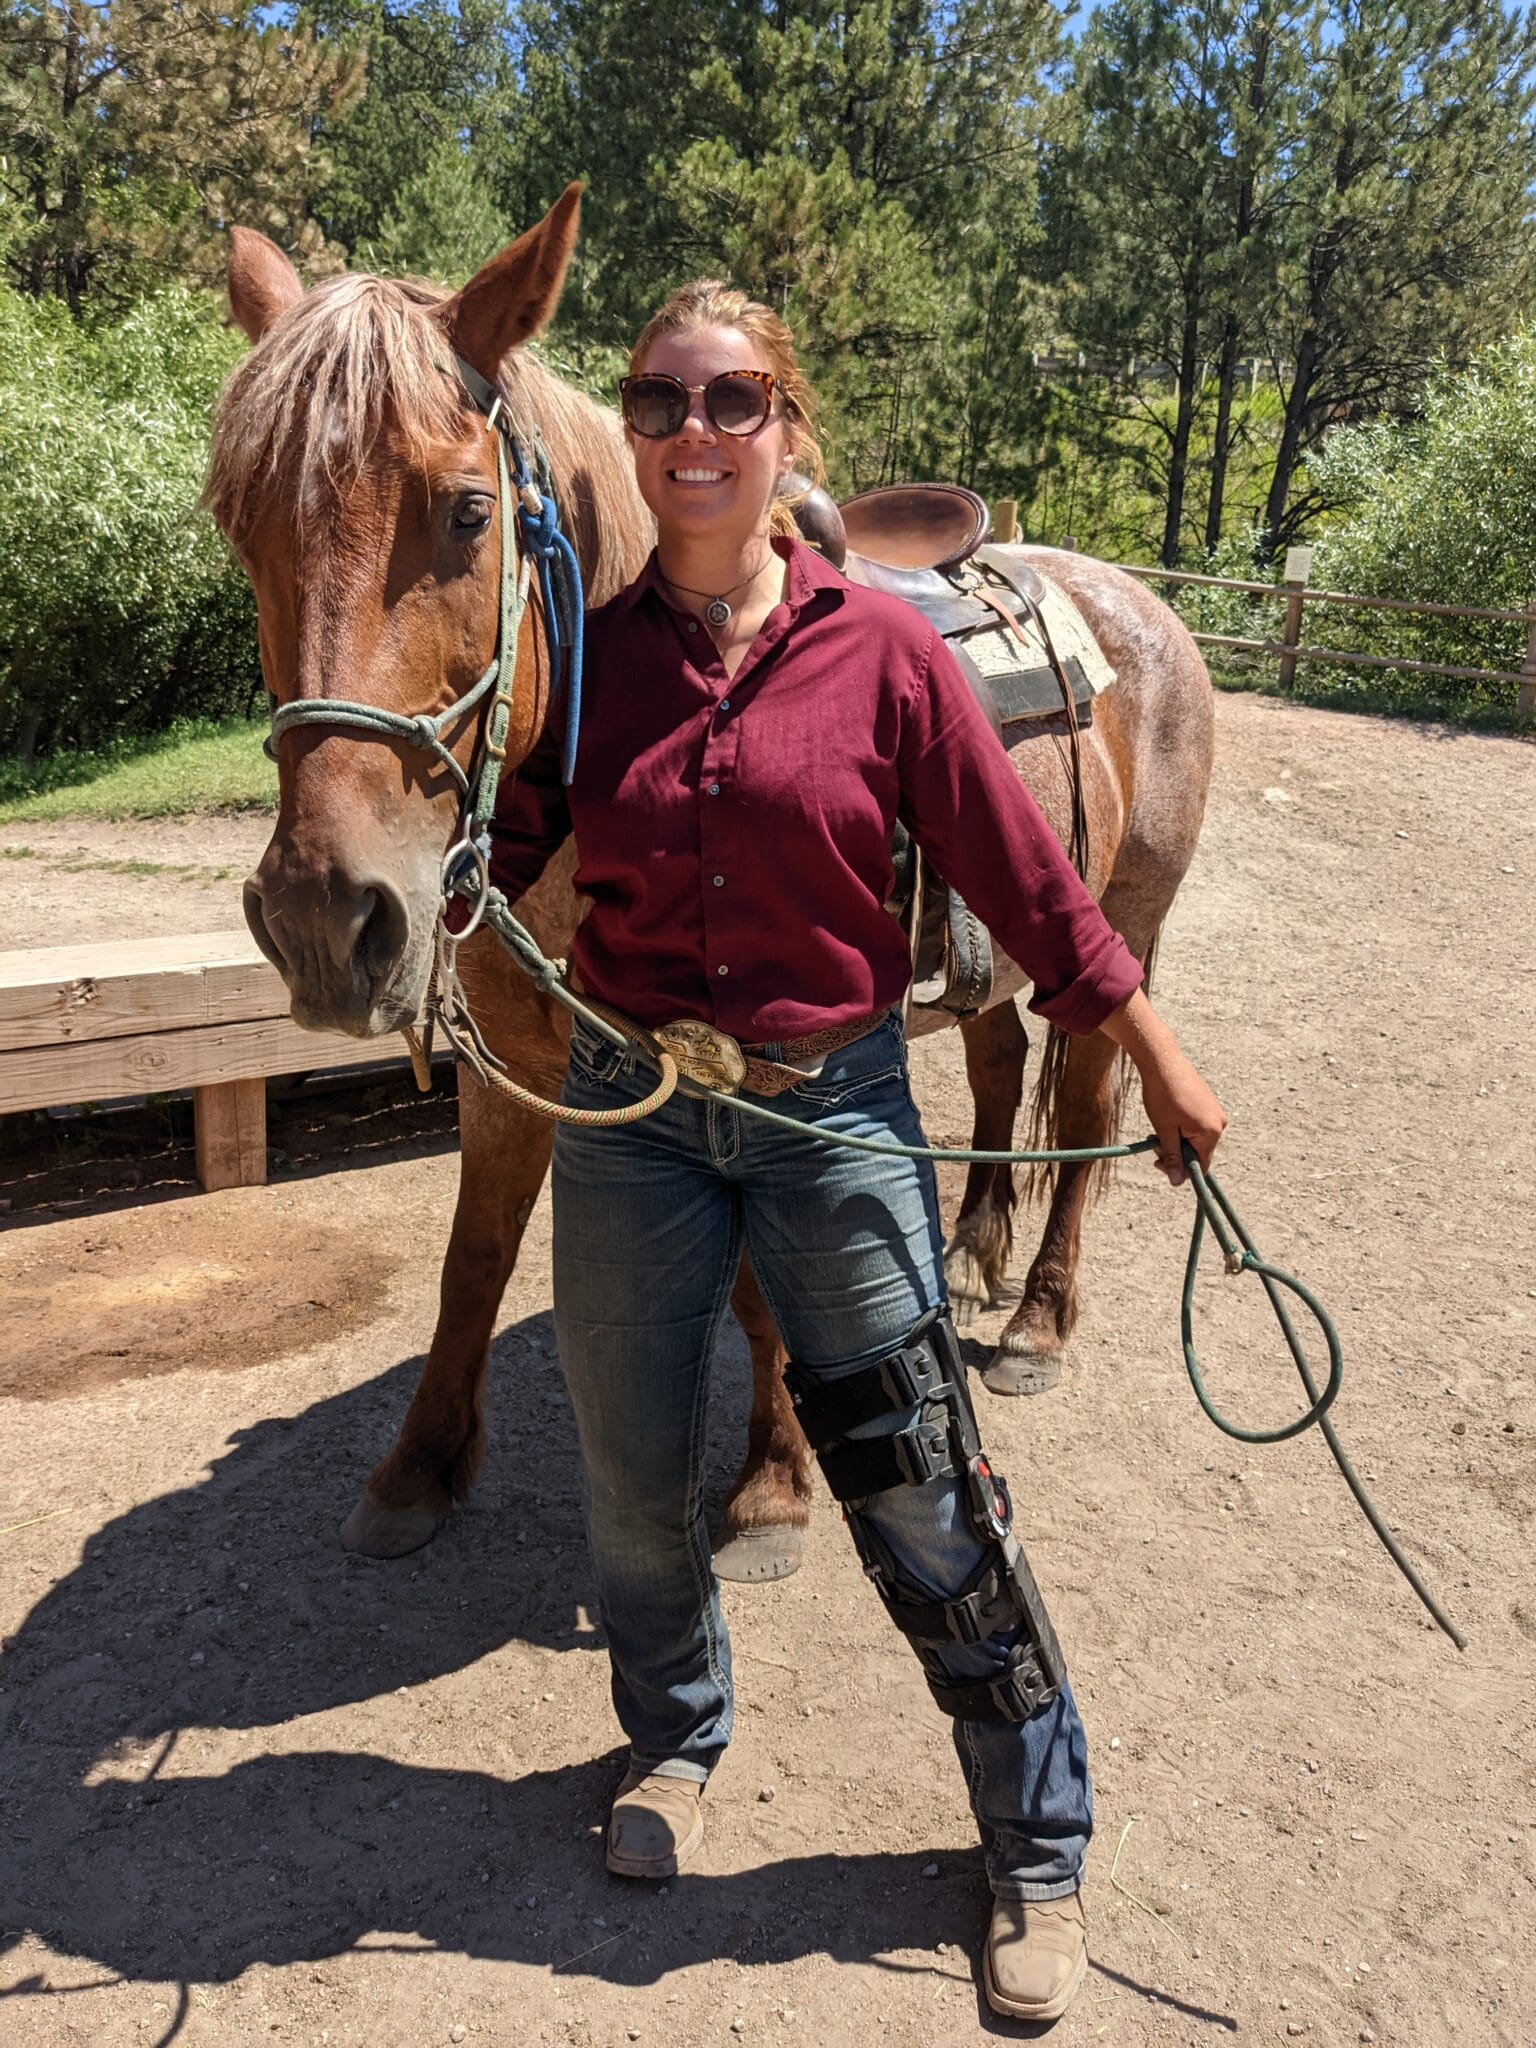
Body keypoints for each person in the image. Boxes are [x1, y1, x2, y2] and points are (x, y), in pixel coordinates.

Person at [486, 280, 1227, 2023]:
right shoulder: (584, 651)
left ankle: (1035, 1840)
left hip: (828, 1111)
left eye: (732, 401)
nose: (691, 434)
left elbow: (1030, 887)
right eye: (659, 403)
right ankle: (672, 1744)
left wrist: (1157, 1059)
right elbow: (507, 836)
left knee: (917, 1476)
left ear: (787, 430)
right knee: (629, 1465)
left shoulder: (883, 652)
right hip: (631, 1117)